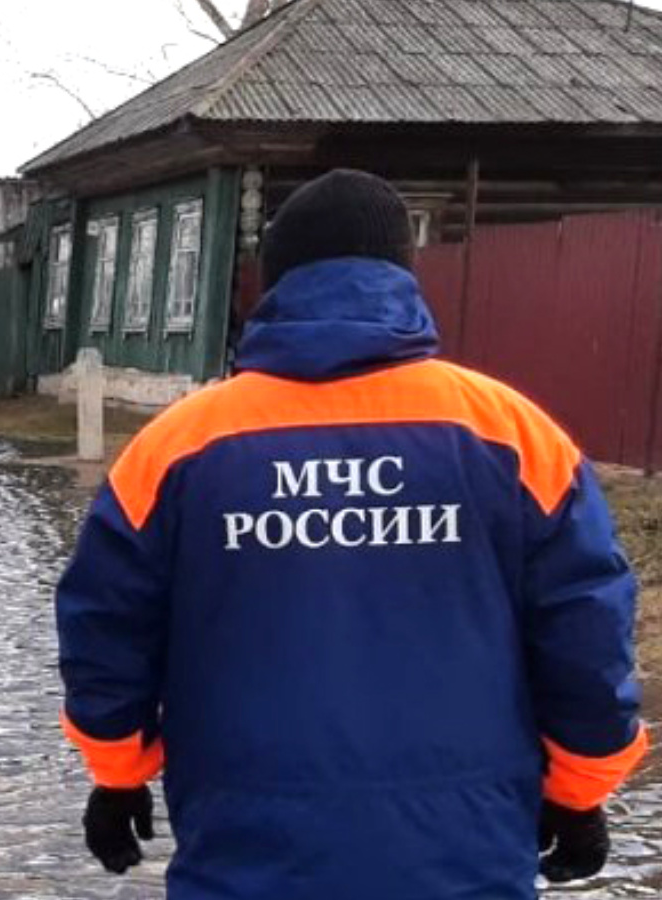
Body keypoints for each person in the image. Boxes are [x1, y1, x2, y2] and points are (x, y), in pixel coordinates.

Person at [55, 170, 648, 900]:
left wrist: (118, 774)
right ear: (404, 275)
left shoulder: (178, 446)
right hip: (465, 848)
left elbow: (106, 627)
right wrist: (582, 787)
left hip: (247, 847)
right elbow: (587, 629)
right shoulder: (512, 434)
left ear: (272, 283)